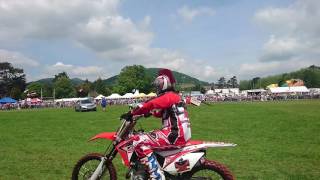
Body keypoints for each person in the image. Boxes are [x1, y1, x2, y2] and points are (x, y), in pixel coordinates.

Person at [120, 69, 191, 180]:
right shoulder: (173, 96)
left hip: (174, 135)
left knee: (137, 141)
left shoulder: (168, 96)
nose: (156, 88)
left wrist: (133, 112)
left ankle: (157, 176)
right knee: (149, 135)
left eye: (158, 85)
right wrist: (148, 113)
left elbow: (151, 103)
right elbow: (162, 113)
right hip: (180, 133)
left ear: (163, 85)